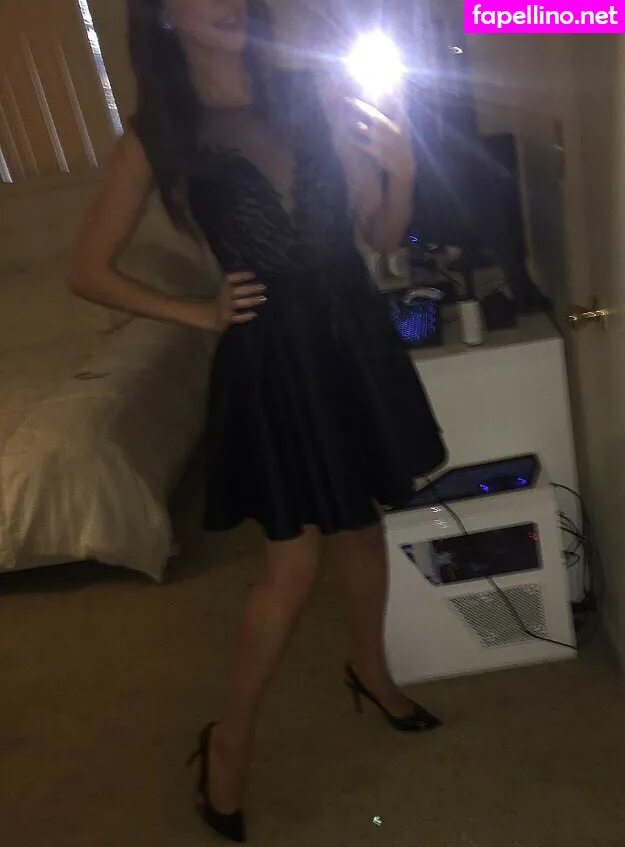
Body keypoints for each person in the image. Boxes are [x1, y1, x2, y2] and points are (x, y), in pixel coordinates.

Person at [71, 0, 447, 842]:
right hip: (276, 358)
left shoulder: (312, 93)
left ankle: (371, 670)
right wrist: (198, 312)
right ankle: (229, 738)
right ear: (163, 15)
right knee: (292, 563)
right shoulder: (160, 135)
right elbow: (89, 269)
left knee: (363, 525)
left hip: (350, 339)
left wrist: (402, 169)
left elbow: (379, 235)